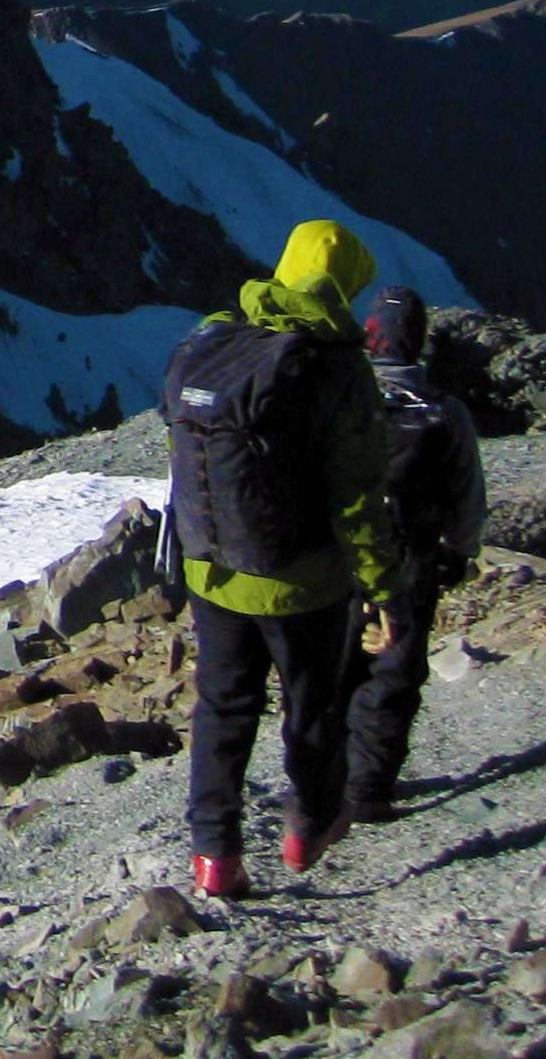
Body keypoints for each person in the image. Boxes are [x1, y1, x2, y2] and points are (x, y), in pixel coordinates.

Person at [159, 218, 404, 899]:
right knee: (312, 704)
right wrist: (384, 588)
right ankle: (309, 827)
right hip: (303, 580)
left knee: (223, 705)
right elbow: (358, 498)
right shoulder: (337, 366)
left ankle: (214, 855)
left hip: (214, 566)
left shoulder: (218, 334)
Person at [341, 285, 490, 821]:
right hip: (411, 556)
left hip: (340, 557)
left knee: (338, 664)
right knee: (396, 668)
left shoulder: (340, 399)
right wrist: (460, 550)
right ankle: (368, 786)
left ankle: (326, 778)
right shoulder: (443, 412)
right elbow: (467, 490)